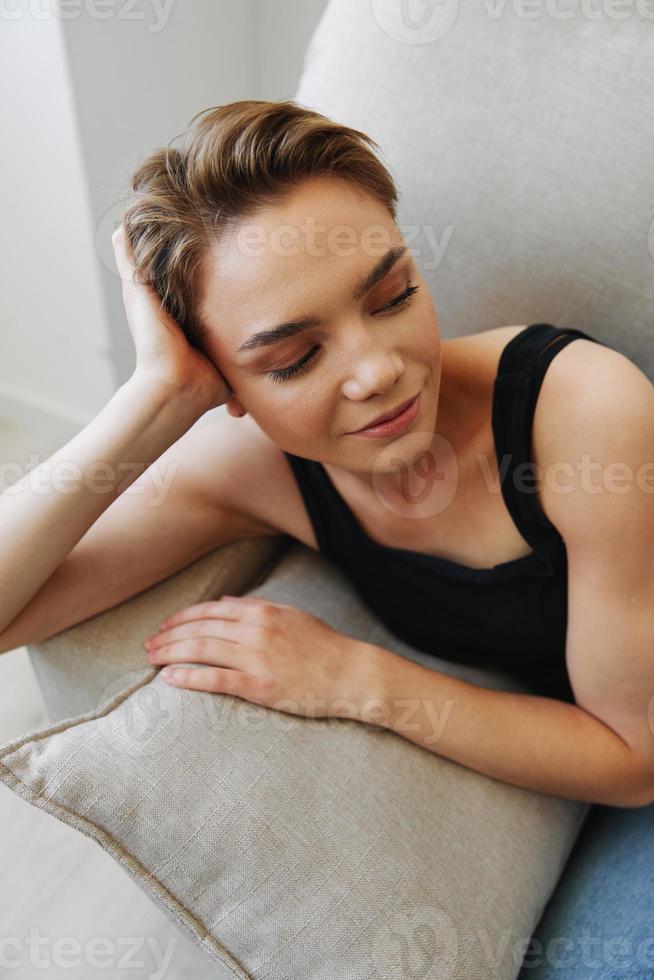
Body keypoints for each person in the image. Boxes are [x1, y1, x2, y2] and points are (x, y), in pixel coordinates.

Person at [1, 104, 653, 962]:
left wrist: (357, 679)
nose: (379, 370)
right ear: (222, 379)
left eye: (393, 296)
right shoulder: (253, 465)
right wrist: (152, 400)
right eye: (293, 359)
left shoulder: (587, 416)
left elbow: (632, 756)